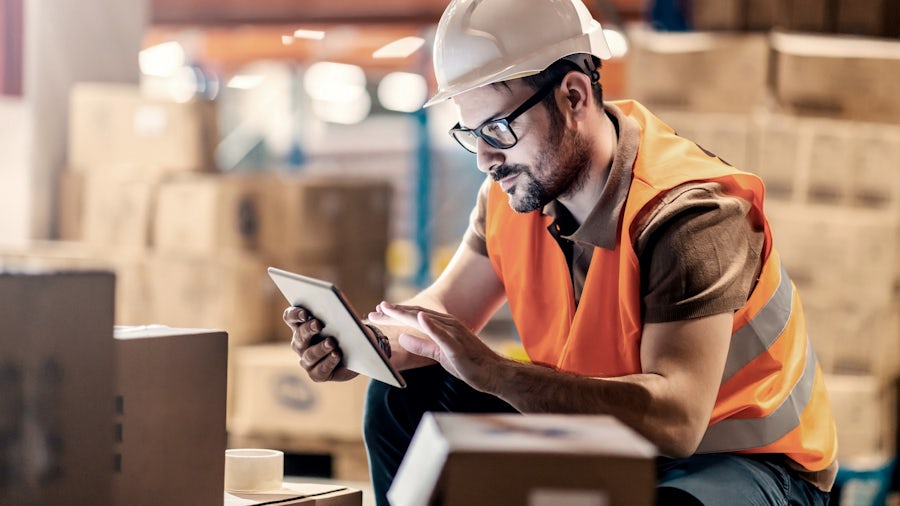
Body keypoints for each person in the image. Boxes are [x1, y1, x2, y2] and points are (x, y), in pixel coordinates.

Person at [284, 0, 838, 504]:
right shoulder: (514, 193)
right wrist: (366, 343)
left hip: (742, 463)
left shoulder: (690, 214)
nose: (484, 158)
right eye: (471, 132)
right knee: (404, 394)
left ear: (574, 96)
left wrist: (498, 373)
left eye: (498, 128)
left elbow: (676, 422)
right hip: (608, 436)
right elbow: (443, 316)